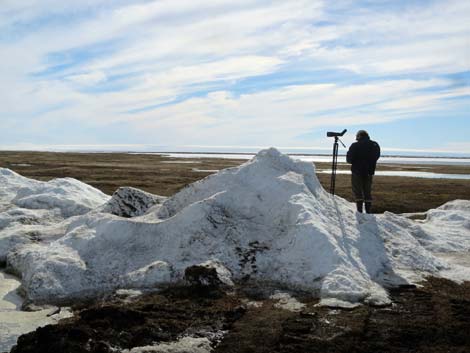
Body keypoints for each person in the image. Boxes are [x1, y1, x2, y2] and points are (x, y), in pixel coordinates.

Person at [346, 130, 380, 213]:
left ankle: (360, 211)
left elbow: (349, 160)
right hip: (369, 172)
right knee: (367, 191)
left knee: (358, 191)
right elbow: (376, 157)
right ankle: (368, 211)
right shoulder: (374, 145)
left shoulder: (355, 145)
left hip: (357, 172)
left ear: (359, 136)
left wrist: (349, 155)